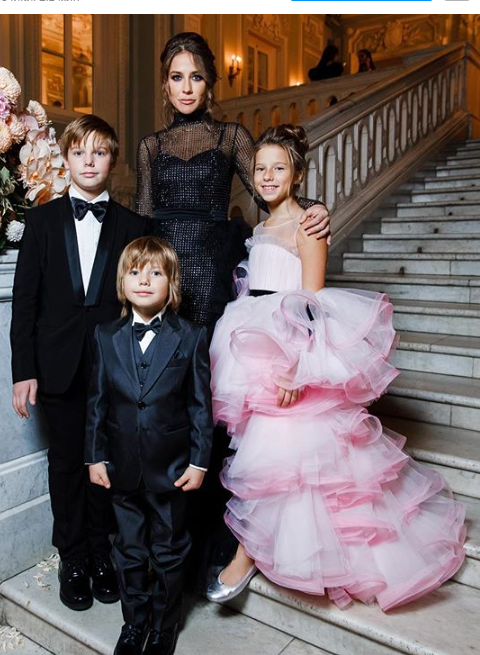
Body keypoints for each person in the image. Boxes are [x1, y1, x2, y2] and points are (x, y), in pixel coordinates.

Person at [206, 124, 466, 611]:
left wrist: (295, 368)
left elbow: (312, 304)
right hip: (253, 346)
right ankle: (268, 544)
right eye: (260, 169)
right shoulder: (259, 229)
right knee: (267, 456)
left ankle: (247, 554)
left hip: (289, 350)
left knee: (285, 455)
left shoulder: (308, 225)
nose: (267, 176)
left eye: (278, 168)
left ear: (297, 175)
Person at [136, 31, 330, 576]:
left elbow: (274, 194)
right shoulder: (150, 147)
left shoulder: (231, 136)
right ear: (165, 84)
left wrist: (318, 210)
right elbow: (143, 223)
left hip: (215, 284)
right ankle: (167, 532)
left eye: (196, 76)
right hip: (165, 284)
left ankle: (220, 536)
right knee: (167, 404)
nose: (186, 87)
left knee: (216, 410)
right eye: (176, 77)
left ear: (211, 83)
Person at [10, 115, 151, 612]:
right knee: (67, 462)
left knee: (107, 462)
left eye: (100, 152)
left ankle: (99, 553)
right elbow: (25, 301)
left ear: (113, 160)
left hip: (114, 369)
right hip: (57, 366)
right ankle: (71, 558)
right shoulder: (42, 222)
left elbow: (142, 302)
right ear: (65, 159)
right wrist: (23, 370)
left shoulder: (135, 226)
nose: (89, 162)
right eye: (79, 153)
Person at [86, 236, 213, 655]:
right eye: (135, 272)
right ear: (122, 282)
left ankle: (163, 626)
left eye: (155, 273)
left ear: (171, 284)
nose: (144, 280)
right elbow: (97, 402)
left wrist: (199, 462)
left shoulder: (191, 336)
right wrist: (95, 456)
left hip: (172, 469)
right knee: (128, 550)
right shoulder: (105, 335)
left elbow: (200, 405)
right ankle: (134, 623)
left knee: (169, 551)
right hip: (121, 468)